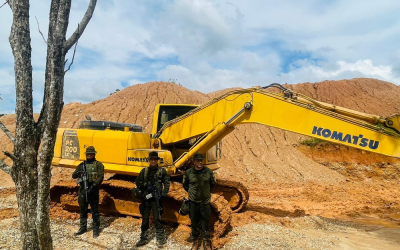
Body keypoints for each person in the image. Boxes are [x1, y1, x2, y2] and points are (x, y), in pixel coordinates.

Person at [135, 151, 170, 247]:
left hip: (156, 199)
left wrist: (163, 194)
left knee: (157, 218)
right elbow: (137, 181)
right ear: (149, 160)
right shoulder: (144, 171)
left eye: (155, 159)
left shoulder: (162, 171)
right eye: (151, 159)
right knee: (145, 218)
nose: (153, 161)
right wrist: (145, 185)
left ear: (157, 160)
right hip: (147, 198)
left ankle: (160, 239)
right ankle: (143, 238)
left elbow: (167, 183)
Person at [183, 153, 216, 250]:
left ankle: (206, 241)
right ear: (194, 161)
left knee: (205, 222)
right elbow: (185, 185)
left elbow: (212, 184)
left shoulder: (209, 172)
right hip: (193, 202)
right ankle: (195, 240)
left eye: (201, 160)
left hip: (205, 202)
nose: (200, 162)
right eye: (198, 160)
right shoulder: (189, 173)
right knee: (194, 221)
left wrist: (206, 193)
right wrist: (192, 193)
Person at [72, 146, 104, 238]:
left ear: (94, 154)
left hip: (93, 190)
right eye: (88, 154)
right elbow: (73, 175)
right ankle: (83, 227)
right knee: (83, 210)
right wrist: (79, 174)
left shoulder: (98, 165)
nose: (89, 155)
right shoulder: (81, 165)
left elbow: (101, 176)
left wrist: (94, 185)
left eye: (91, 154)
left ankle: (96, 229)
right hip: (82, 190)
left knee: (94, 210)